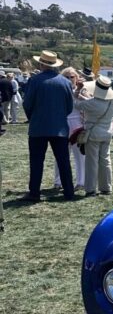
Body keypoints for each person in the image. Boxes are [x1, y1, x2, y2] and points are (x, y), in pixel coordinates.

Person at [22, 50, 75, 201]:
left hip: (38, 127)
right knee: (63, 161)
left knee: (37, 161)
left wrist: (33, 117)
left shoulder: (35, 80)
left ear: (41, 63)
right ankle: (69, 192)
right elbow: (69, 107)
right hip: (59, 127)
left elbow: (27, 104)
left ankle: (34, 193)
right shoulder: (65, 82)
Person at [80, 75, 113, 195]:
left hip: (94, 133)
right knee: (105, 160)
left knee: (92, 161)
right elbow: (91, 102)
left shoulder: (93, 103)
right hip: (107, 132)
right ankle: (106, 187)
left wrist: (79, 93)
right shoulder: (112, 100)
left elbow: (77, 104)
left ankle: (90, 189)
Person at [54, 67, 89, 192]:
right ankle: (58, 181)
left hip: (77, 124)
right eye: (66, 77)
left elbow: (88, 105)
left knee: (79, 155)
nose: (69, 79)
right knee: (60, 154)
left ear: (76, 78)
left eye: (72, 77)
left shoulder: (82, 90)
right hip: (62, 123)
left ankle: (81, 181)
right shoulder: (58, 90)